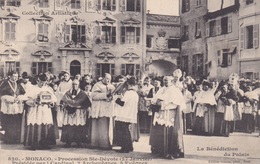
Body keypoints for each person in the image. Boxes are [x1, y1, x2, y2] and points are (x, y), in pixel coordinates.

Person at [149, 76, 185, 160]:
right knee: (160, 130)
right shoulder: (161, 89)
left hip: (170, 113)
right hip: (161, 113)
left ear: (172, 81)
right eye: (164, 80)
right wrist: (156, 102)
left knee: (170, 131)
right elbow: (154, 99)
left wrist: (163, 104)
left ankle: (170, 152)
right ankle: (161, 151)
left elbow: (178, 102)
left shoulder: (175, 90)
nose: (165, 82)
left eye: (167, 80)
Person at [23, 73, 57, 150]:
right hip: (35, 110)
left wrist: (51, 102)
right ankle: (34, 144)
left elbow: (54, 99)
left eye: (44, 82)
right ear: (37, 80)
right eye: (41, 82)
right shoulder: (32, 88)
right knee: (35, 124)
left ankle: (44, 144)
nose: (43, 84)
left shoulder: (48, 89)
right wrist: (34, 101)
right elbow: (26, 99)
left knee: (45, 124)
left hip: (45, 109)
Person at [60, 79, 91, 147]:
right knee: (69, 126)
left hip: (78, 113)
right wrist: (66, 105)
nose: (75, 86)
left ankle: (79, 142)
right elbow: (62, 101)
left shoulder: (82, 94)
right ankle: (68, 141)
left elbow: (87, 103)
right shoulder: (67, 93)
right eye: (73, 84)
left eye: (76, 84)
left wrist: (79, 106)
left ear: (78, 85)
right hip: (69, 113)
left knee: (78, 126)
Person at [89, 73, 115, 150]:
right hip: (99, 109)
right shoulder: (97, 85)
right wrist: (105, 95)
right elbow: (93, 96)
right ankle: (95, 143)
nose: (108, 80)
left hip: (108, 109)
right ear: (103, 78)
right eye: (107, 78)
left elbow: (114, 96)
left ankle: (106, 144)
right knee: (98, 127)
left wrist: (111, 97)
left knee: (107, 127)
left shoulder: (112, 86)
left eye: (110, 79)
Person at [113, 77, 139, 153]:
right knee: (126, 131)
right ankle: (129, 146)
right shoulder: (135, 94)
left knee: (123, 131)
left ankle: (125, 148)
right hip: (130, 114)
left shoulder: (128, 93)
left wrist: (116, 98)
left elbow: (122, 103)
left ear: (129, 85)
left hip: (124, 114)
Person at [0, 71, 25, 144]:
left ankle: (15, 138)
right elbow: (2, 95)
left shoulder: (18, 84)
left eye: (16, 76)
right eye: (14, 76)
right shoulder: (4, 83)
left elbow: (23, 93)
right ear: (10, 76)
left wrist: (19, 98)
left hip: (16, 106)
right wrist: (11, 99)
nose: (15, 78)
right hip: (8, 106)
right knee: (8, 123)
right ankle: (8, 138)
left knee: (16, 122)